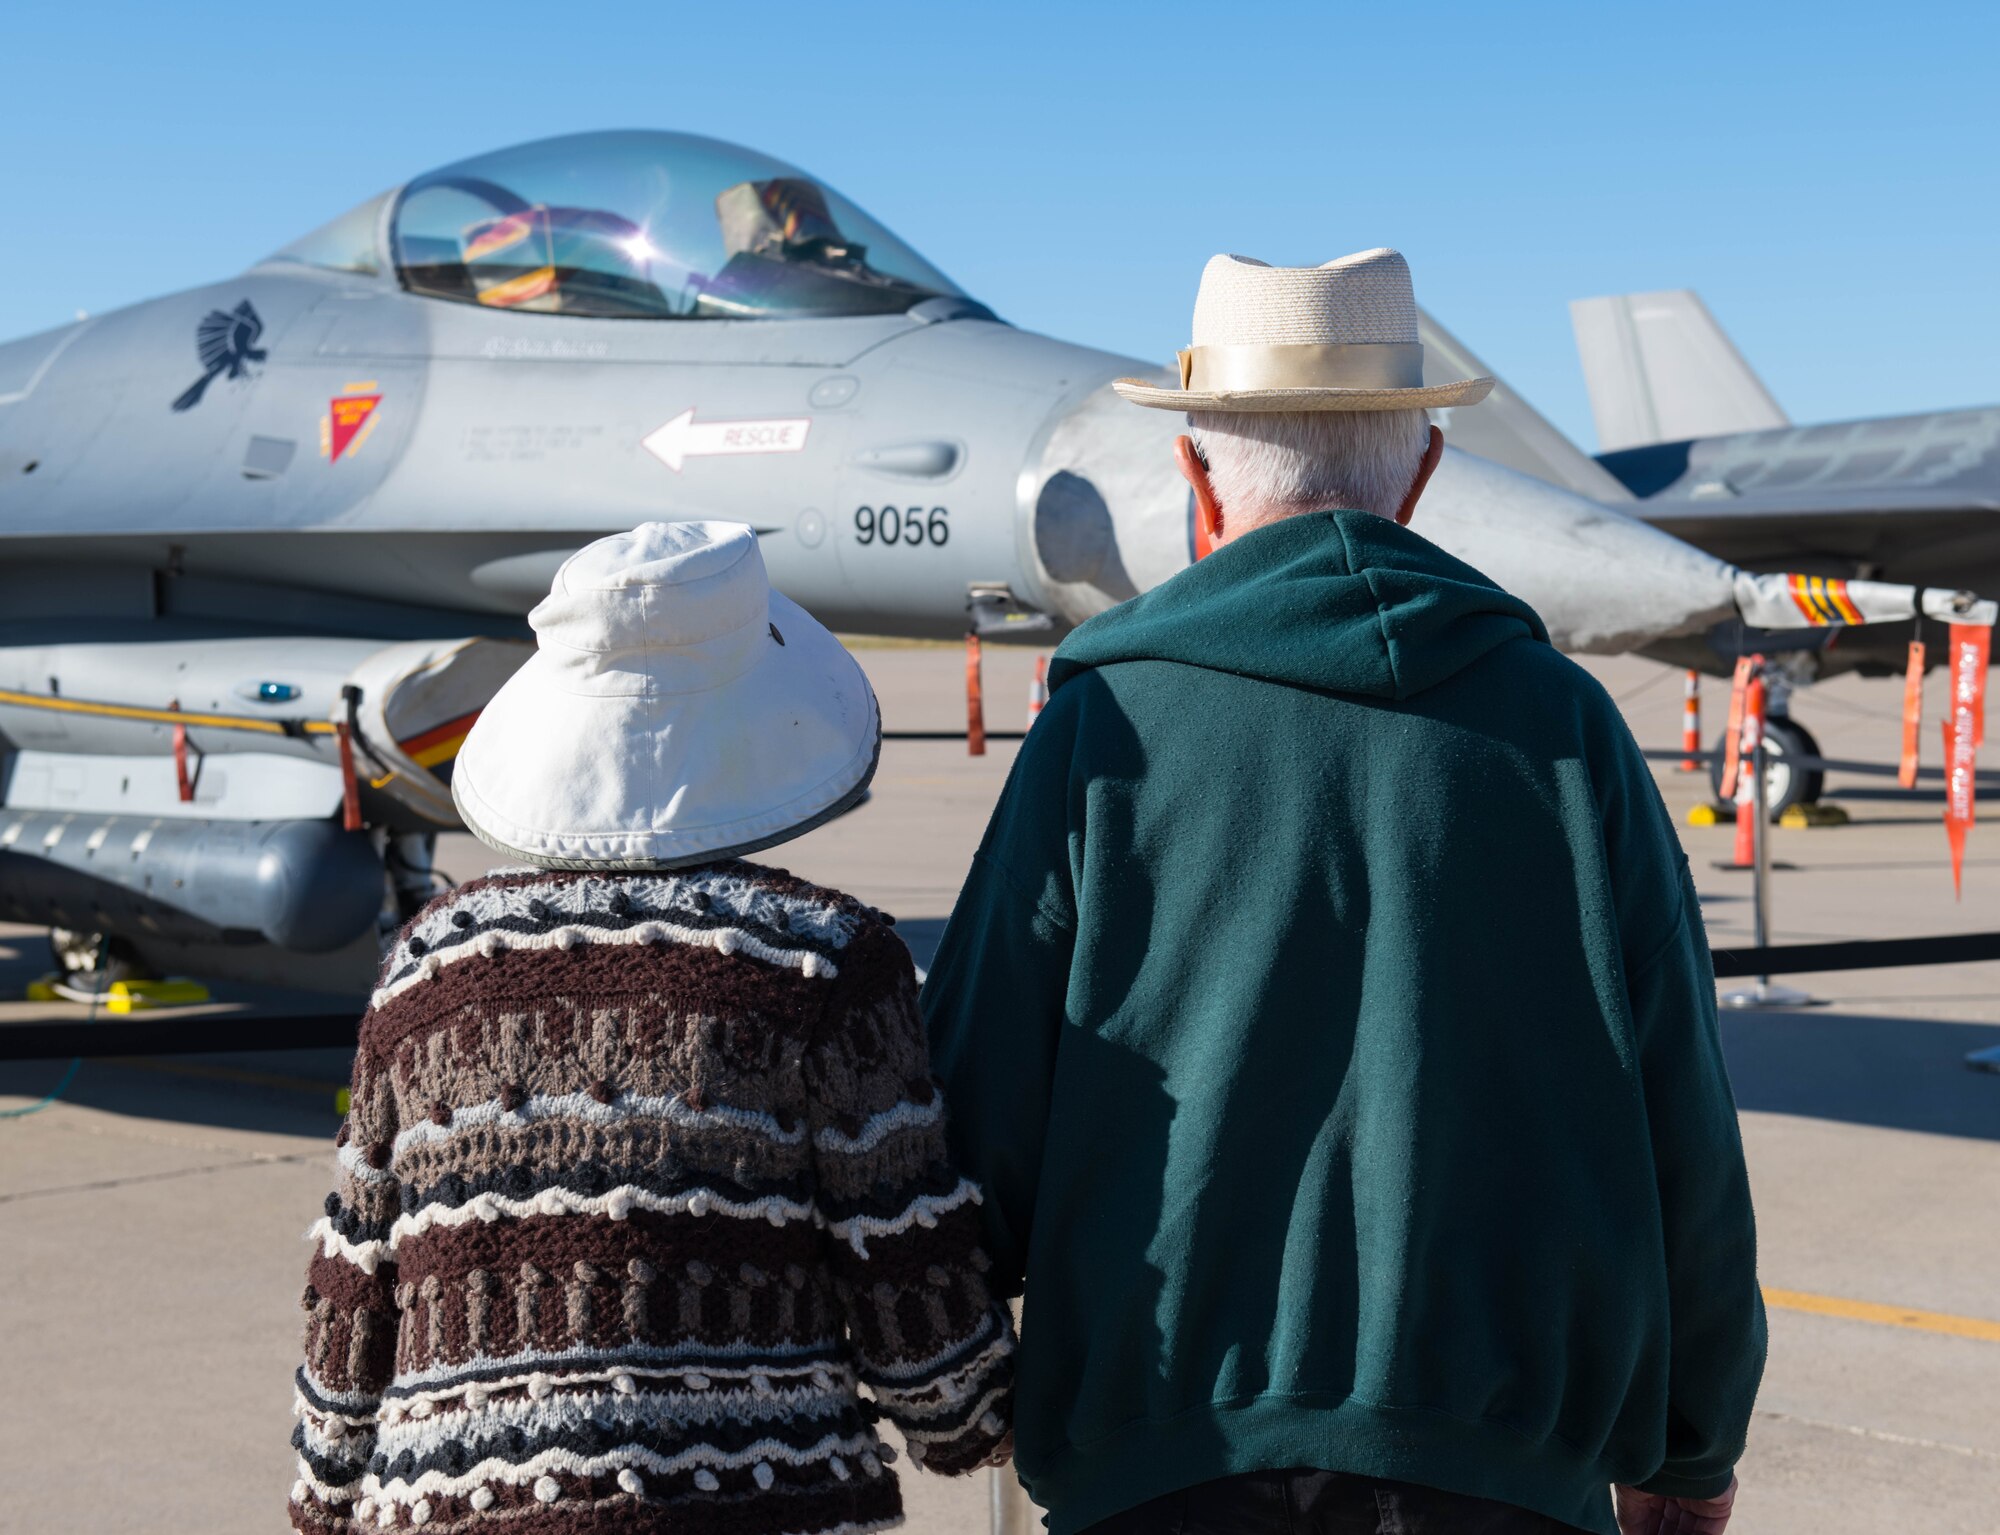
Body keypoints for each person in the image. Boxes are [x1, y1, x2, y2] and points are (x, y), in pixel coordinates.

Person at [922, 250, 1764, 1535]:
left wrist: (964, 1373)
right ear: (1422, 473)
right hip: (1508, 1483)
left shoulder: (1100, 727)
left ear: (1194, 478)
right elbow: (1682, 1126)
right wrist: (1690, 1450)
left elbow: (977, 1115)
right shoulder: (1568, 728)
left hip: (1160, 1469)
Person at [288, 522, 1013, 1535]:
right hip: (754, 1507)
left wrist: (326, 1486)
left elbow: (355, 1257)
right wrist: (973, 1415)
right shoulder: (827, 962)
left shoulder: (431, 961)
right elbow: (898, 1260)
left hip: (452, 1506)